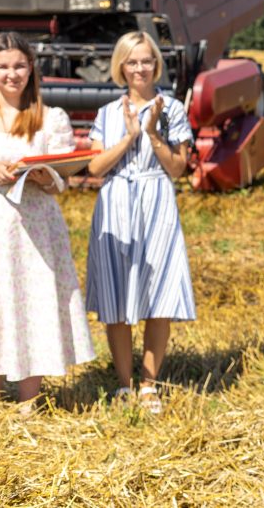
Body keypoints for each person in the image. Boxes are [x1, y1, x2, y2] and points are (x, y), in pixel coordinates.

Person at [85, 31, 194, 414]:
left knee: (158, 293)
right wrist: (130, 137)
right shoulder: (107, 113)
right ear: (121, 66)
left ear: (156, 64)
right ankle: (124, 383)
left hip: (157, 199)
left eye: (146, 60)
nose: (140, 68)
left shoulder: (172, 109)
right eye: (132, 61)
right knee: (116, 295)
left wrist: (151, 132)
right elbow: (95, 167)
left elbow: (178, 169)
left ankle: (149, 384)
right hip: (115, 200)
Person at [0, 32, 95, 413]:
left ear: (31, 68)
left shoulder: (50, 118)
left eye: (19, 65)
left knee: (30, 299)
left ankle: (28, 396)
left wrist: (43, 175)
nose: (12, 74)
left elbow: (62, 179)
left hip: (35, 225)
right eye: (3, 66)